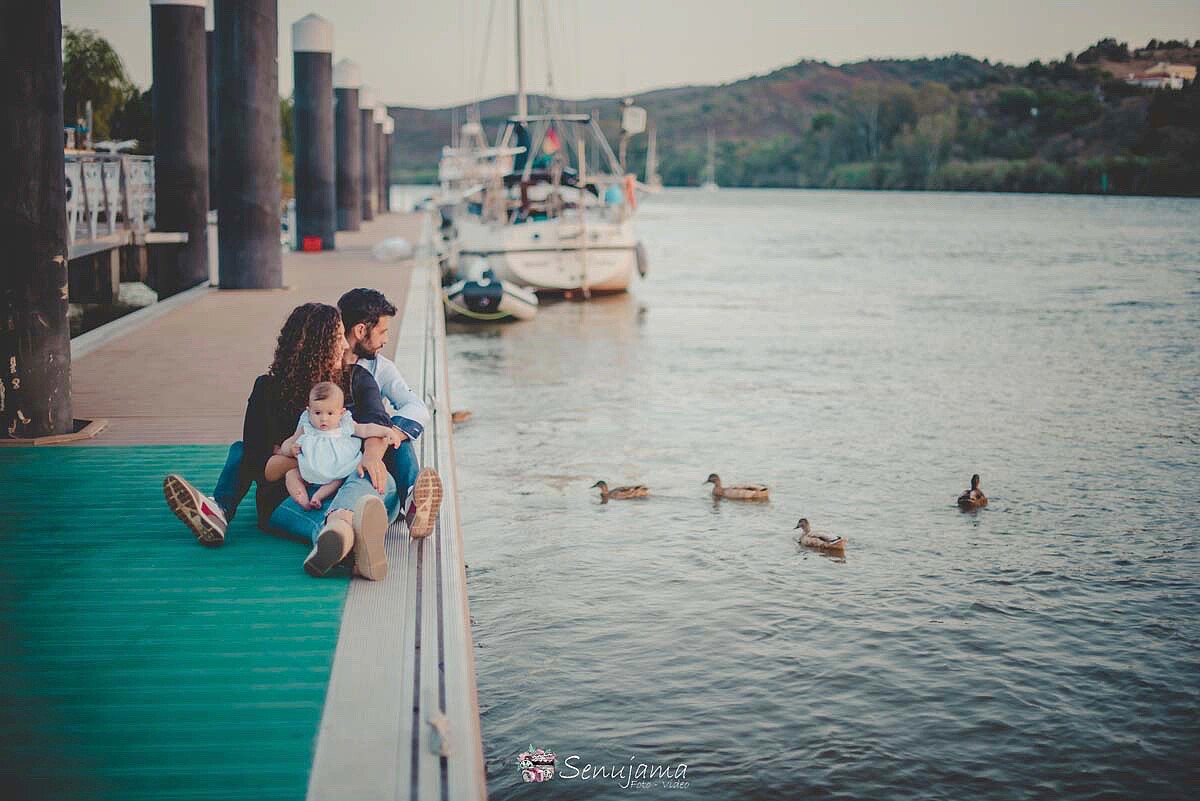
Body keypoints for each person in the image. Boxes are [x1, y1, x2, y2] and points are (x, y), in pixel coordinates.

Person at [162, 302, 429, 581]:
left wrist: (371, 456)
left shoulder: (357, 379)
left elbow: (377, 425)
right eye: (338, 338)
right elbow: (257, 465)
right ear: (321, 347)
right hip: (290, 494)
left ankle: (340, 536)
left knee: (370, 479)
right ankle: (346, 538)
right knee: (368, 494)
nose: (345, 346)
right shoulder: (266, 389)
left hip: (350, 480)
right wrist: (309, 460)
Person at [336, 288, 441, 540]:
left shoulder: (380, 367)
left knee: (393, 433)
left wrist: (391, 432)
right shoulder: (322, 361)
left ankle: (414, 504)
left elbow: (416, 406)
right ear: (361, 331)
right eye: (382, 331)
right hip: (332, 446)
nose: (385, 340)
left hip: (370, 450)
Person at [272, 381, 405, 511]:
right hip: (310, 467)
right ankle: (302, 499)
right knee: (291, 475)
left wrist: (386, 431)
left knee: (340, 479)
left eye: (330, 413)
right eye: (317, 413)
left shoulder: (344, 425)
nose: (324, 419)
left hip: (337, 470)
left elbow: (365, 429)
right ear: (309, 411)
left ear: (341, 413)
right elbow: (290, 441)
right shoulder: (307, 426)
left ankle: (318, 496)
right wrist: (289, 449)